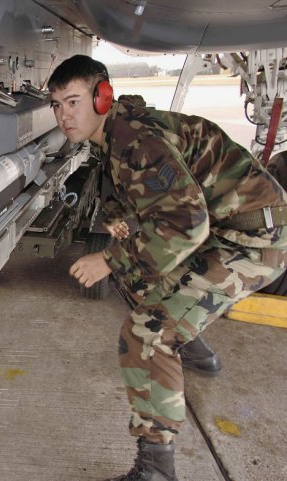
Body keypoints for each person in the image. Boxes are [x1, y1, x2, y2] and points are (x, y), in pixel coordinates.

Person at [48, 54, 287, 481]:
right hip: (229, 229)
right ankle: (193, 347)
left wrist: (108, 258)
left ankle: (156, 469)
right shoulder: (117, 138)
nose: (64, 116)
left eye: (73, 102)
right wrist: (120, 243)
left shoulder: (136, 141)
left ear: (103, 96)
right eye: (57, 106)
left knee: (146, 333)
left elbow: (187, 225)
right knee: (137, 272)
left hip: (254, 241)